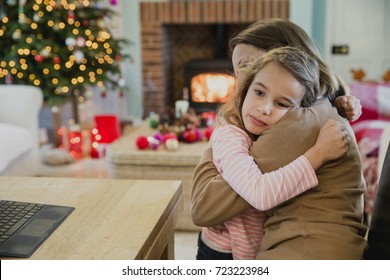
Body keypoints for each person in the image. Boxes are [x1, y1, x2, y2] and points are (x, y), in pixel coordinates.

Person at [191, 19, 367, 259]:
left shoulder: (299, 120)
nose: (240, 80)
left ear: (287, 57)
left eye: (248, 65)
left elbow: (205, 207)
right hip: (224, 247)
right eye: (236, 70)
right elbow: (205, 208)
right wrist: (318, 152)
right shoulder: (237, 131)